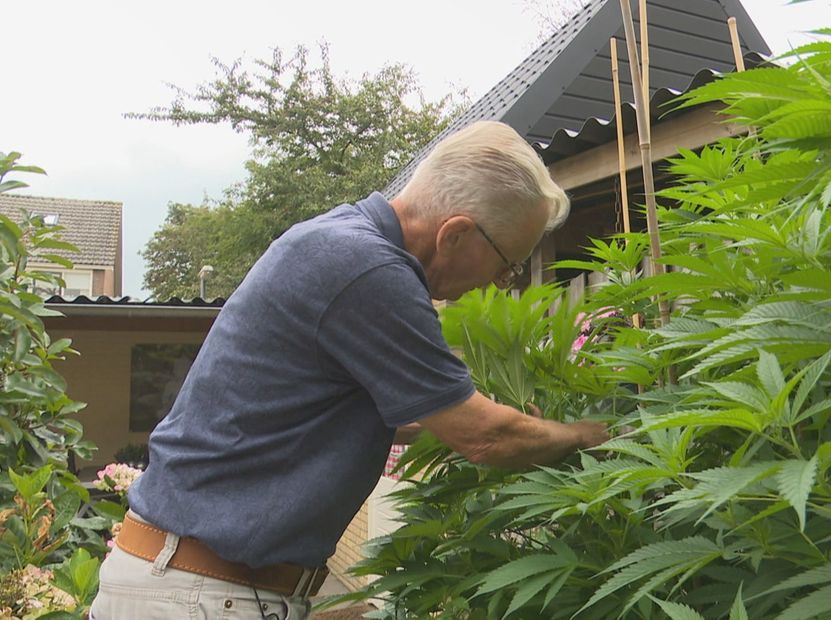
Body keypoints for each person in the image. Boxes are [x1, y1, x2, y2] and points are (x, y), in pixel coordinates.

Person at [90, 121, 609, 619]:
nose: (499, 283)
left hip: (195, 586)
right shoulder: (369, 271)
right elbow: (484, 439)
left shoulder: (339, 242)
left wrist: (507, 423)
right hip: (200, 592)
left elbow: (367, 414)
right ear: (455, 234)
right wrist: (587, 435)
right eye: (506, 266)